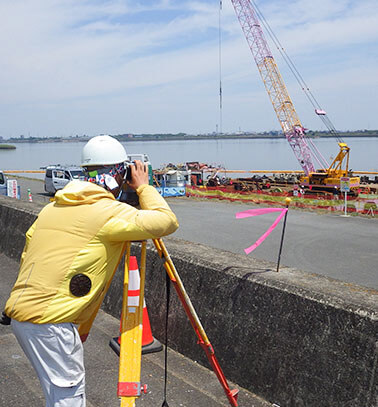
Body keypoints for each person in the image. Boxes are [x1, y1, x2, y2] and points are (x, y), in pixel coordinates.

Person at [1, 135, 179, 407]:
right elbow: (166, 221)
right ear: (121, 173)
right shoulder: (109, 213)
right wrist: (144, 188)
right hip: (51, 322)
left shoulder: (54, 208)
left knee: (56, 395)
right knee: (68, 398)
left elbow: (29, 253)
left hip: (23, 316)